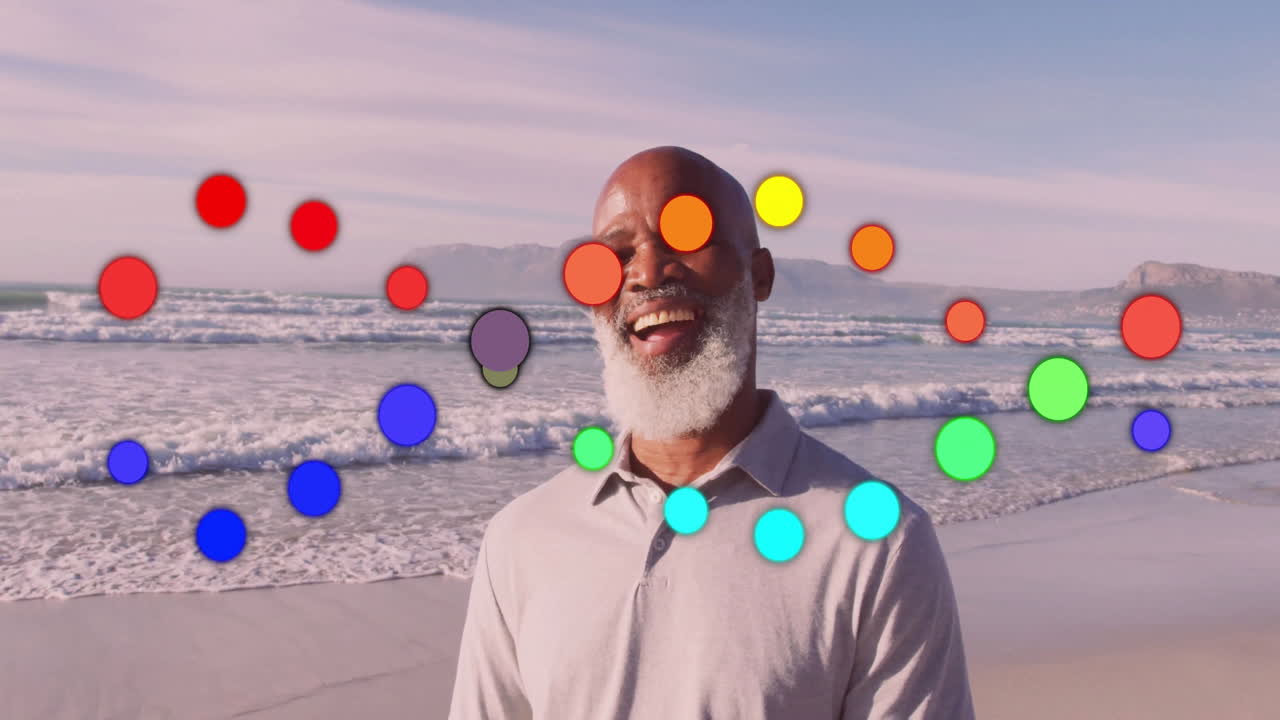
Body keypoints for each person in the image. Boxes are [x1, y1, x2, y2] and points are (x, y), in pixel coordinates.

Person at [449, 146, 975, 719]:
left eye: (686, 234)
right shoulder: (522, 540)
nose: (647, 273)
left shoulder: (876, 545)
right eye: (618, 254)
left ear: (760, 274)